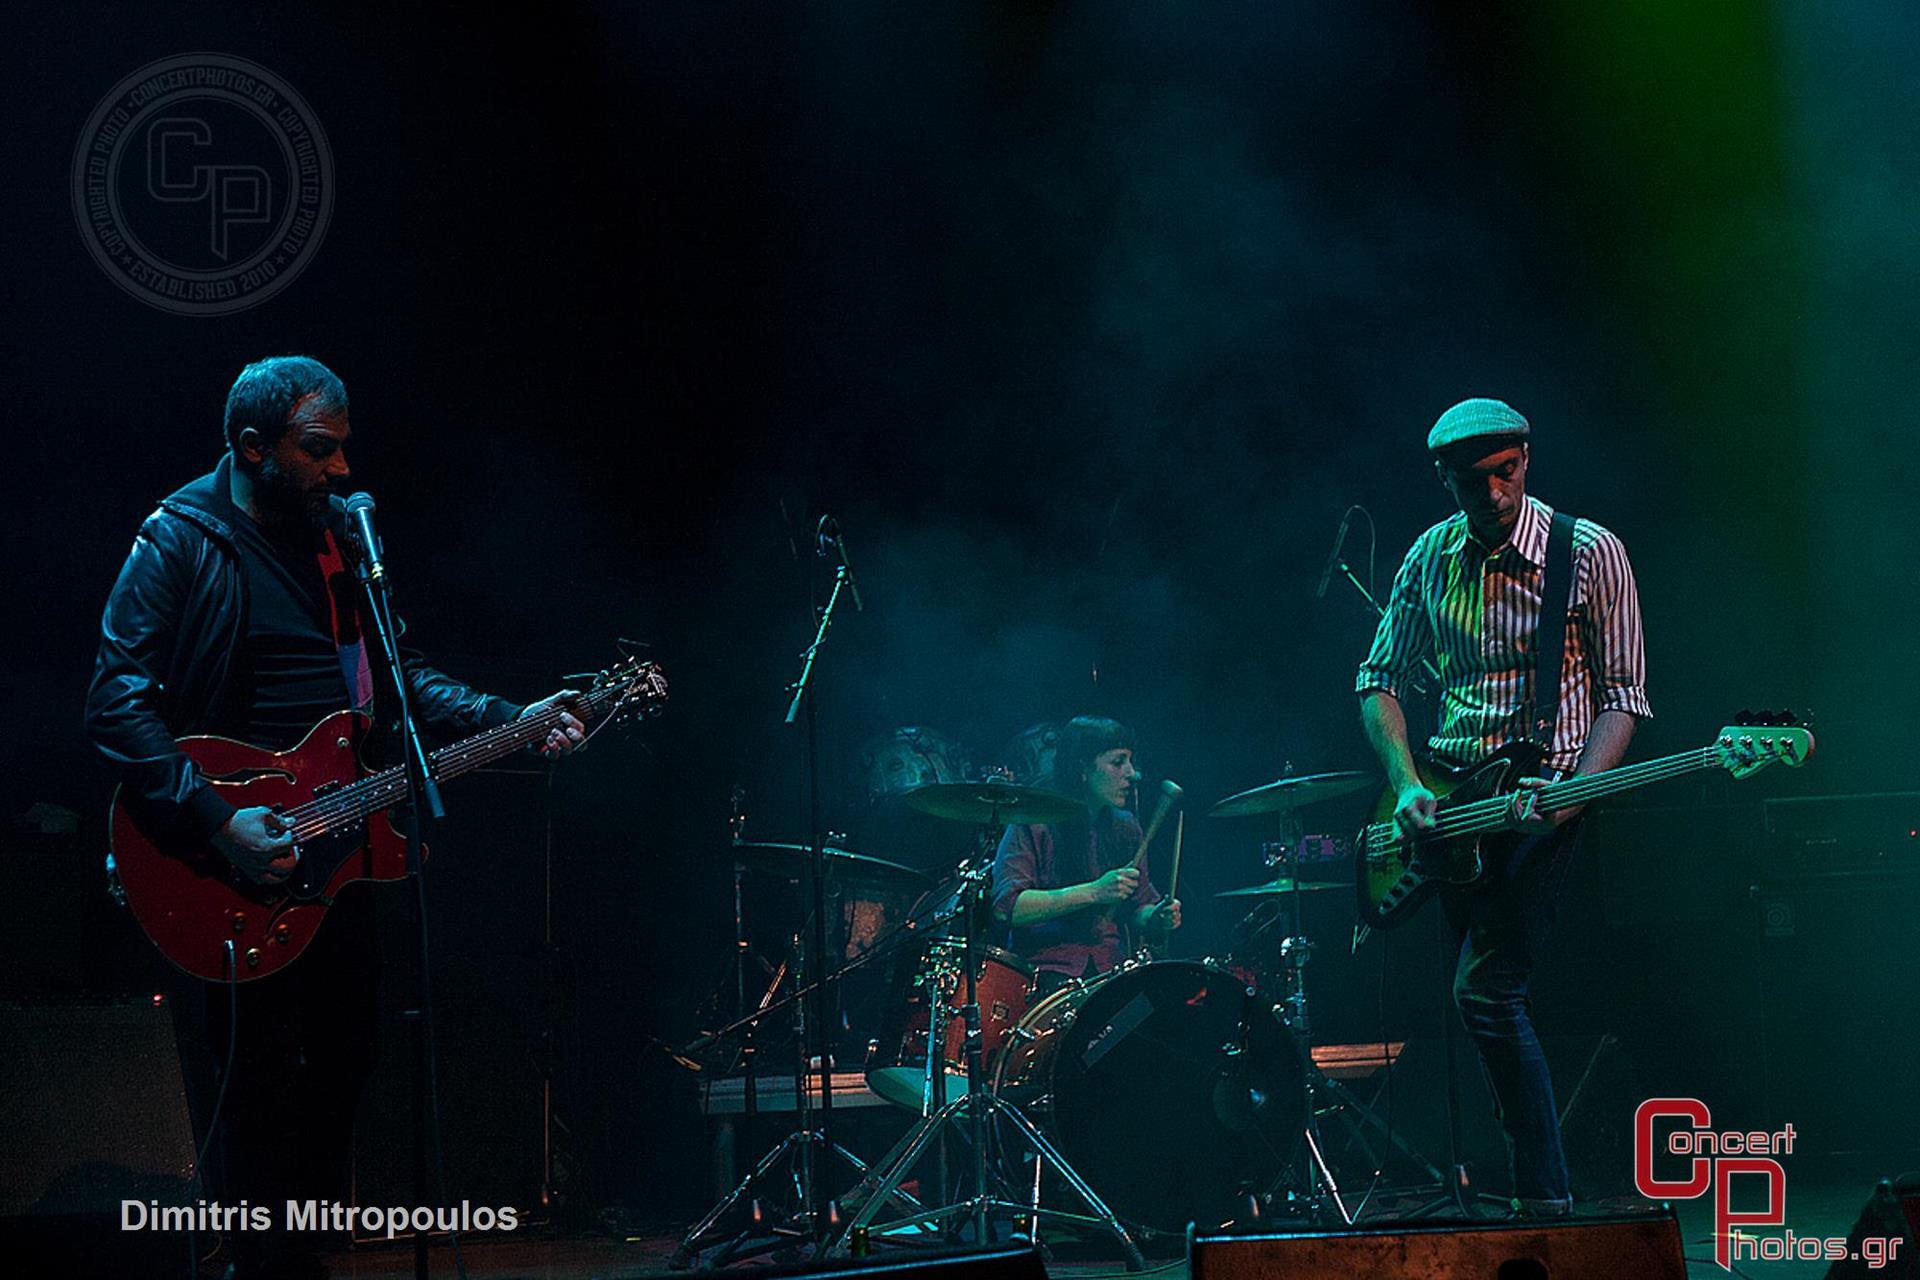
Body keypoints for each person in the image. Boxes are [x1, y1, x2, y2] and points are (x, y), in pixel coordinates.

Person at [83, 355, 587, 1279]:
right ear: (252, 447)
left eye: (343, 449)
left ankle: (301, 1262)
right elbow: (115, 701)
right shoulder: (182, 537)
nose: (340, 469)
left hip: (342, 852)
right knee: (258, 1089)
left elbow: (400, 678)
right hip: (231, 855)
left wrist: (507, 720)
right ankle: (257, 1264)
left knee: (347, 1067)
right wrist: (211, 817)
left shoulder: (337, 542)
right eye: (318, 450)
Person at [1355, 397, 1650, 1218]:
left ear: (1526, 457)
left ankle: (1542, 1202)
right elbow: (1377, 680)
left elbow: (1624, 696)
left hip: (1542, 803)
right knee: (1474, 1003)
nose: (1490, 493)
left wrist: (1572, 792)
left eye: (1505, 472)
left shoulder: (1587, 552)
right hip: (1449, 811)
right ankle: (1500, 1188)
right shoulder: (1428, 555)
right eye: (1470, 480)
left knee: (1486, 994)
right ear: (1442, 477)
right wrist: (1409, 782)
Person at [990, 715, 1181, 990]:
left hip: (1113, 970)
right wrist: (1095, 892)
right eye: (1118, 762)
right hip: (1047, 972)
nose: (1132, 773)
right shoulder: (1035, 821)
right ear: (1083, 768)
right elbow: (1008, 908)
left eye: (1130, 761)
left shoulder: (1126, 826)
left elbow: (1139, 907)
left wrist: (1157, 917)